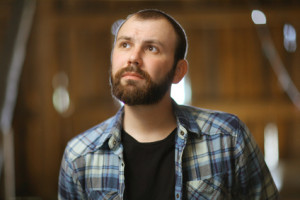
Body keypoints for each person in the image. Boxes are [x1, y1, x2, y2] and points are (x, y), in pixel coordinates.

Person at [58, 9, 279, 200]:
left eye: (152, 48)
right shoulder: (80, 155)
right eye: (125, 44)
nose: (133, 57)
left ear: (178, 71)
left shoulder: (227, 137)